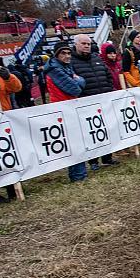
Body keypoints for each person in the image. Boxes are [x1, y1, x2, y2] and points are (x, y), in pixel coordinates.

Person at [72, 34, 119, 170]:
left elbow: (108, 75)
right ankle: (93, 161)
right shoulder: (72, 62)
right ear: (76, 44)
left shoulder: (96, 58)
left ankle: (107, 157)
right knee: (91, 132)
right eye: (83, 43)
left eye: (88, 43)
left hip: (103, 100)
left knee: (106, 129)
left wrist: (108, 89)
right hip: (86, 102)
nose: (86, 46)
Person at [44, 42, 87, 181]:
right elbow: (75, 88)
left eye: (69, 53)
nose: (67, 56)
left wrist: (78, 80)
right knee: (74, 142)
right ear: (56, 55)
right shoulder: (54, 70)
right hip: (61, 110)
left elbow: (81, 82)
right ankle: (78, 175)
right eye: (63, 53)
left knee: (77, 141)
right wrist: (78, 80)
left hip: (70, 107)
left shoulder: (65, 67)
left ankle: (79, 174)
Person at [0, 59, 21, 202]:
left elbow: (17, 88)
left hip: (2, 119)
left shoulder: (0, 75)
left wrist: (8, 77)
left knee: (6, 154)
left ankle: (12, 188)